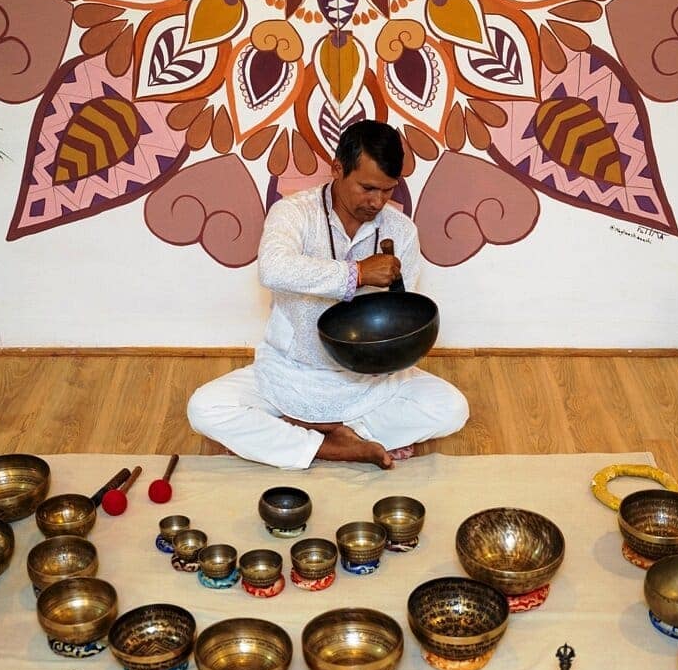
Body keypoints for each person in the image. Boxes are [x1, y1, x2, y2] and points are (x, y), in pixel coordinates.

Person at [187, 120, 468, 470]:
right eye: (367, 187)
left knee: (451, 407)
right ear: (337, 168)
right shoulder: (294, 213)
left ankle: (335, 435)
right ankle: (339, 446)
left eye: (388, 190)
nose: (377, 201)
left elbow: (398, 317)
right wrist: (357, 273)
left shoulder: (401, 232)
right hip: (291, 372)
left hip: (364, 381)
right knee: (205, 407)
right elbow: (272, 268)